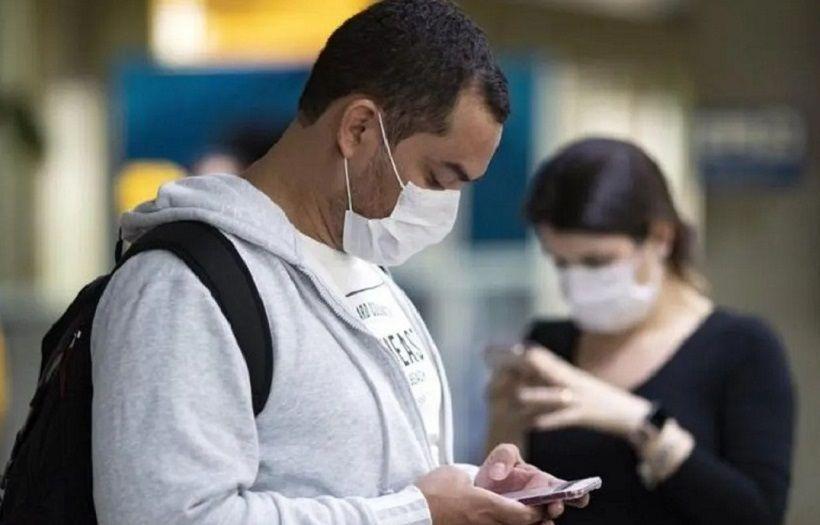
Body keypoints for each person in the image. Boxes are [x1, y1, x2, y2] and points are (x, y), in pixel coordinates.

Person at [91, 1, 589, 524]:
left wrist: (474, 493)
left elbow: (370, 481)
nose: (444, 205)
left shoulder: (361, 266)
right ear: (358, 129)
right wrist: (416, 514)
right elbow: (167, 516)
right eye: (438, 177)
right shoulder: (183, 288)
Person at [487, 137, 795, 524]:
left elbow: (759, 515)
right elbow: (504, 502)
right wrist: (502, 426)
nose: (577, 282)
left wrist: (640, 421)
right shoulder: (549, 345)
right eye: (561, 263)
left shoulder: (742, 349)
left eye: (596, 262)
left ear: (660, 238)